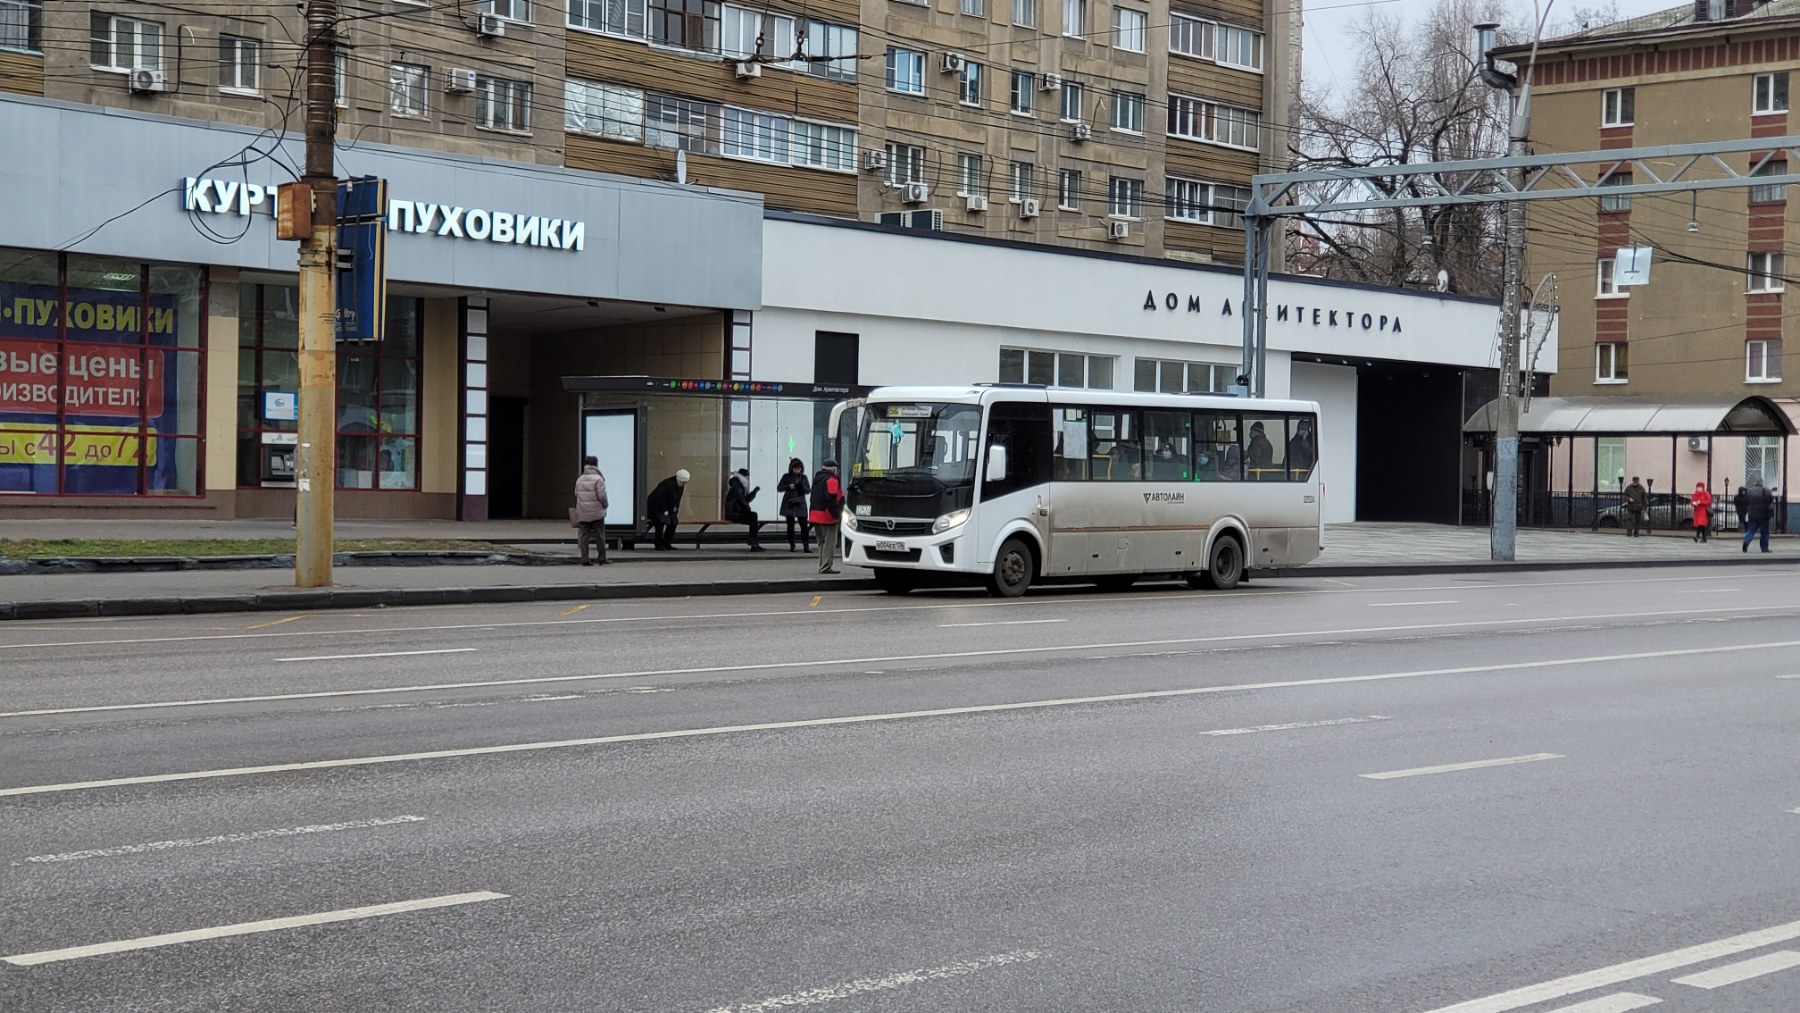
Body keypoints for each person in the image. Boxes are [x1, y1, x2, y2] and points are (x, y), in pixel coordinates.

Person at [571, 456, 609, 566]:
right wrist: (605, 505)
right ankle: (602, 558)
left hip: (583, 511)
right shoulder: (598, 479)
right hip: (597, 512)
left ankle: (585, 559)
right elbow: (602, 496)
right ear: (596, 464)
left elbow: (576, 494)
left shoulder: (580, 479)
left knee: (583, 536)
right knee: (600, 535)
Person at [808, 458, 844, 574]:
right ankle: (825, 567)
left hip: (814, 515)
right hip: (827, 516)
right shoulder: (832, 480)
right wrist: (836, 514)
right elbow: (831, 498)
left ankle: (822, 565)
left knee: (821, 542)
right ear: (834, 469)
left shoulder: (817, 479)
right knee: (830, 542)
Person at [645, 469, 690, 551]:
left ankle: (667, 542)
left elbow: (677, 499)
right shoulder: (666, 484)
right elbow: (657, 498)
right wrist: (664, 511)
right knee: (660, 523)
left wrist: (675, 510)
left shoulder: (680, 485)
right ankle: (658, 544)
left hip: (669, 508)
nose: (683, 484)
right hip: (656, 508)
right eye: (683, 482)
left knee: (674, 522)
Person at [775, 458, 812, 553]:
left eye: (799, 469)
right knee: (790, 526)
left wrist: (801, 487)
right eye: (795, 469)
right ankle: (792, 545)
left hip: (800, 503)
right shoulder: (786, 477)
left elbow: (808, 490)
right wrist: (788, 487)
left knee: (804, 525)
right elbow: (779, 488)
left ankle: (806, 546)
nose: (797, 470)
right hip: (789, 503)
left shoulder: (804, 478)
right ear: (791, 468)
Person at [724, 468, 764, 551]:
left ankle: (753, 542)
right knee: (753, 517)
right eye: (747, 477)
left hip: (734, 512)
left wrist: (754, 492)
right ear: (743, 477)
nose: (748, 479)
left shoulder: (738, 485)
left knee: (753, 517)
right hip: (733, 514)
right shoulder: (737, 487)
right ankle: (753, 542)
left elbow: (745, 500)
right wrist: (748, 511)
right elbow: (743, 502)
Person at [1742, 479, 1774, 553]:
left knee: (1751, 530)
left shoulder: (1750, 492)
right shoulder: (1765, 491)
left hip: (1752, 514)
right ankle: (1764, 548)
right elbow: (1771, 499)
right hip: (1764, 514)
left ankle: (1746, 542)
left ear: (1754, 484)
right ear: (1761, 483)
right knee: (1764, 532)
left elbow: (1745, 501)